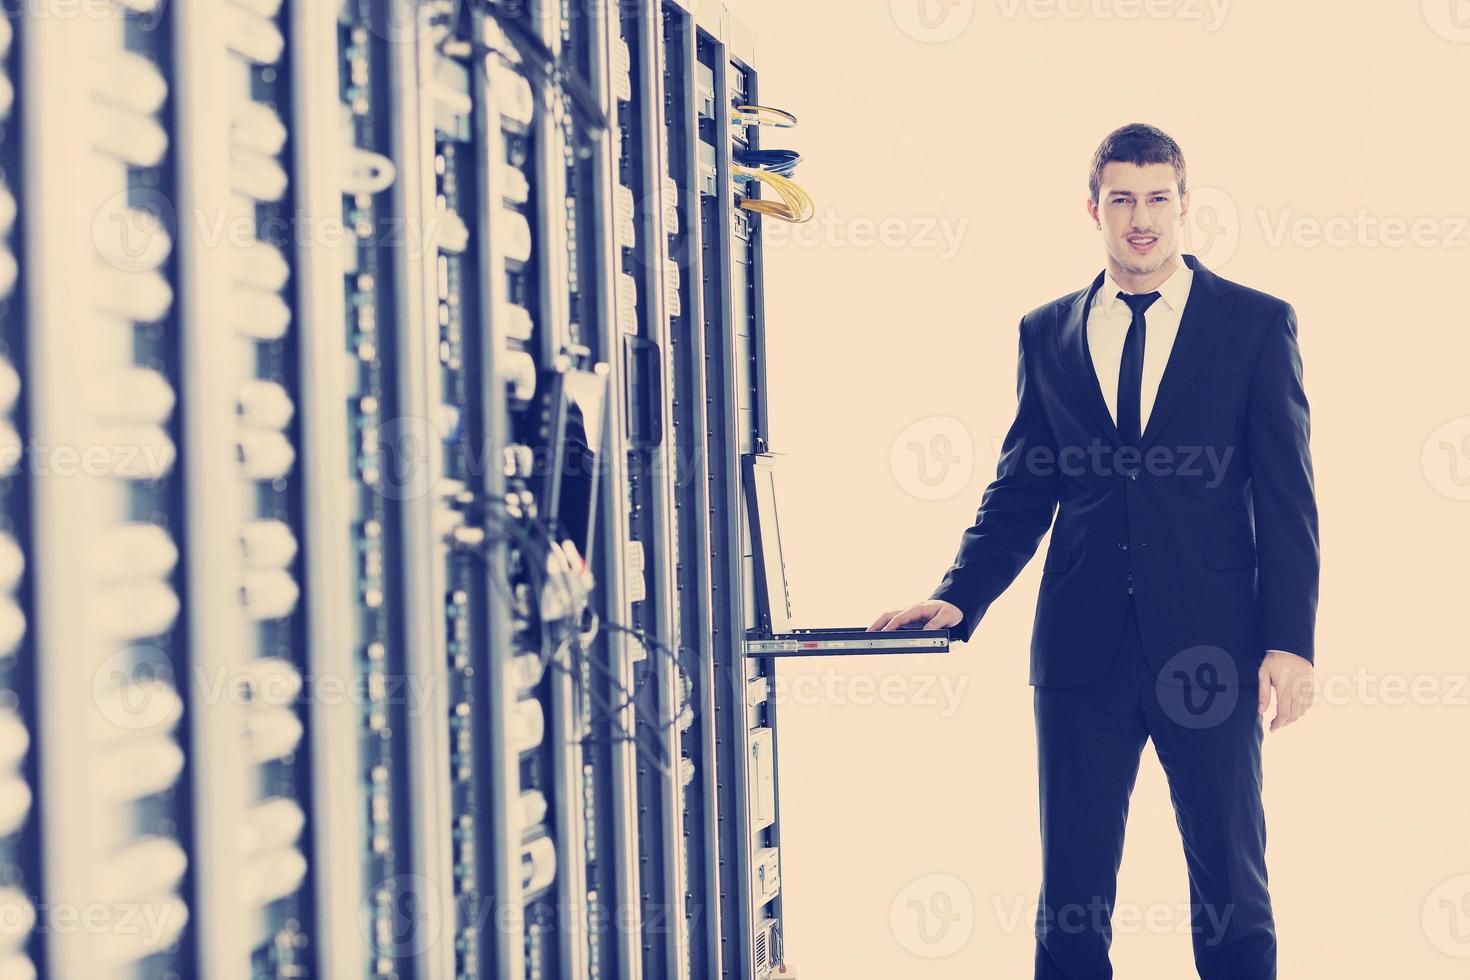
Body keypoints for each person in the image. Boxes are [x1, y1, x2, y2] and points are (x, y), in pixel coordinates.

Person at [868, 122, 1320, 979]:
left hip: (1210, 650)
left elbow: (1287, 494)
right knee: (1072, 906)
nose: (1140, 219)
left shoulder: (1256, 325)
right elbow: (1022, 488)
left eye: (1157, 199)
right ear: (1095, 209)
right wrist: (959, 594)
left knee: (1232, 894)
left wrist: (1289, 641)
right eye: (1122, 200)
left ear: (1185, 207)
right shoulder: (1047, 332)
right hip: (1081, 654)